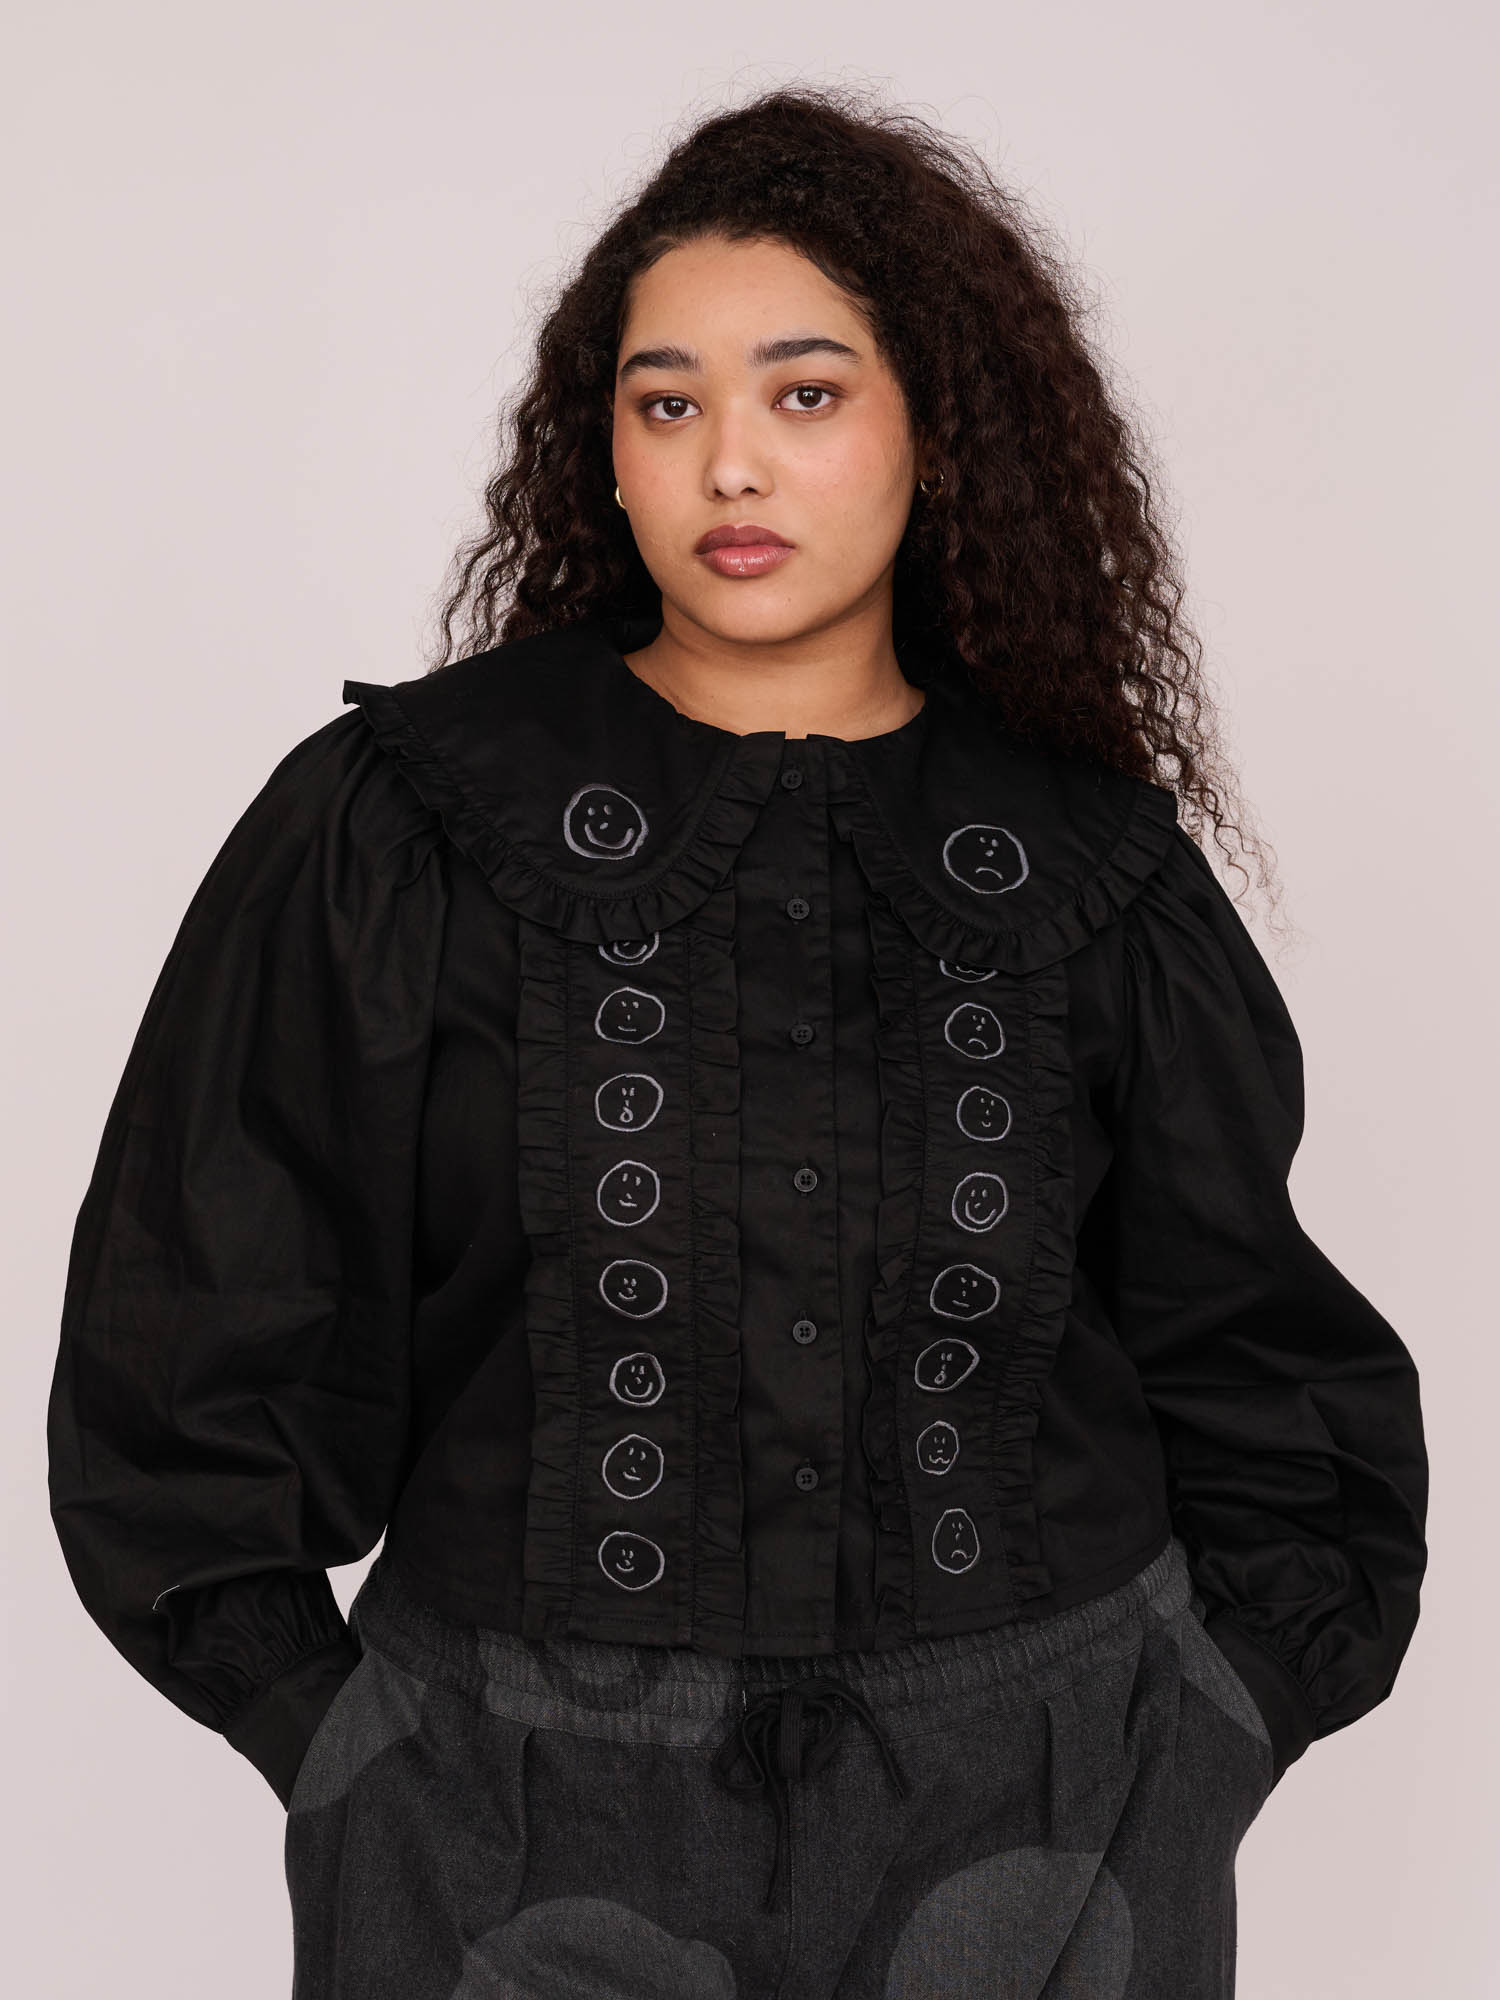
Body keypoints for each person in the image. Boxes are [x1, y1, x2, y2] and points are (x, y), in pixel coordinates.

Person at [47, 85, 1428, 2000]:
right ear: (605, 455)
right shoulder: (406, 823)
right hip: (494, 1808)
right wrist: (344, 1751)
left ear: (936, 432)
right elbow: (194, 1313)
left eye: (806, 392)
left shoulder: (1097, 870)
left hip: (1055, 1811)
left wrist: (1206, 1729)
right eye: (666, 403)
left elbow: (1253, 1347)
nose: (730, 465)